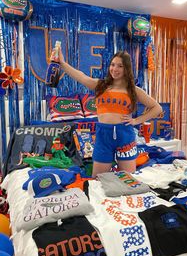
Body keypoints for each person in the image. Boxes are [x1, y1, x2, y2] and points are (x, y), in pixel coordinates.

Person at [51, 49, 162, 177]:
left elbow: (156, 108)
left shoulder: (133, 90)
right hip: (103, 135)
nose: (115, 69)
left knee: (127, 180)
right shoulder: (101, 85)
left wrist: (136, 121)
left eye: (120, 66)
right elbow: (81, 76)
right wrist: (63, 64)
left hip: (124, 134)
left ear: (126, 69)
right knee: (98, 179)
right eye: (113, 64)